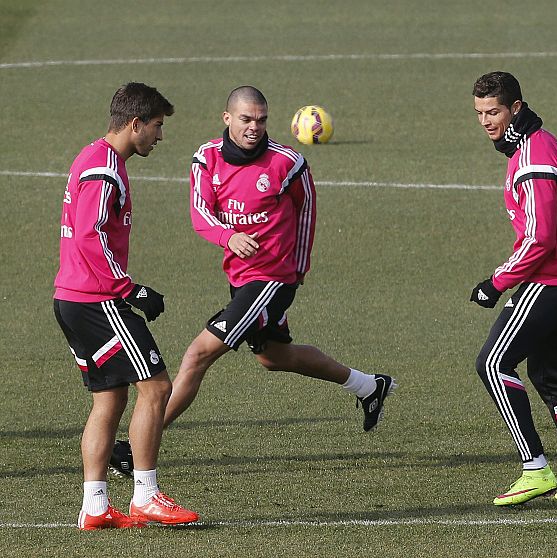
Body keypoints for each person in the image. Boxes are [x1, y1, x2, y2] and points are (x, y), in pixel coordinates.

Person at [110, 86, 395, 476]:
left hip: (273, 280)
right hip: (241, 279)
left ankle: (134, 448)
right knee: (273, 357)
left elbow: (307, 212)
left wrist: (297, 271)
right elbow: (200, 213)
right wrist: (228, 237)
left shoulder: (288, 163)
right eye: (246, 119)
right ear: (227, 118)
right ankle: (369, 387)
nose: (254, 127)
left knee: (197, 356)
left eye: (261, 120)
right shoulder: (206, 159)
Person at [54, 83, 199, 530]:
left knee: (109, 399)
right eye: (157, 125)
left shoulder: (94, 156)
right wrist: (129, 289)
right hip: (96, 300)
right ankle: (146, 495)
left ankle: (95, 506)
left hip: (72, 298)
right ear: (135, 123)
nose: (160, 136)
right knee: (157, 388)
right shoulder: (104, 169)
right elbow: (90, 234)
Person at [471, 71, 557, 506]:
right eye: (479, 113)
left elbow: (540, 238)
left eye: (493, 112)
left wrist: (496, 282)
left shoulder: (533, 157)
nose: (486, 121)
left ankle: (535, 469)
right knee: (548, 377)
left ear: (516, 108)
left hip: (552, 279)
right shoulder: (539, 143)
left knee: (493, 364)